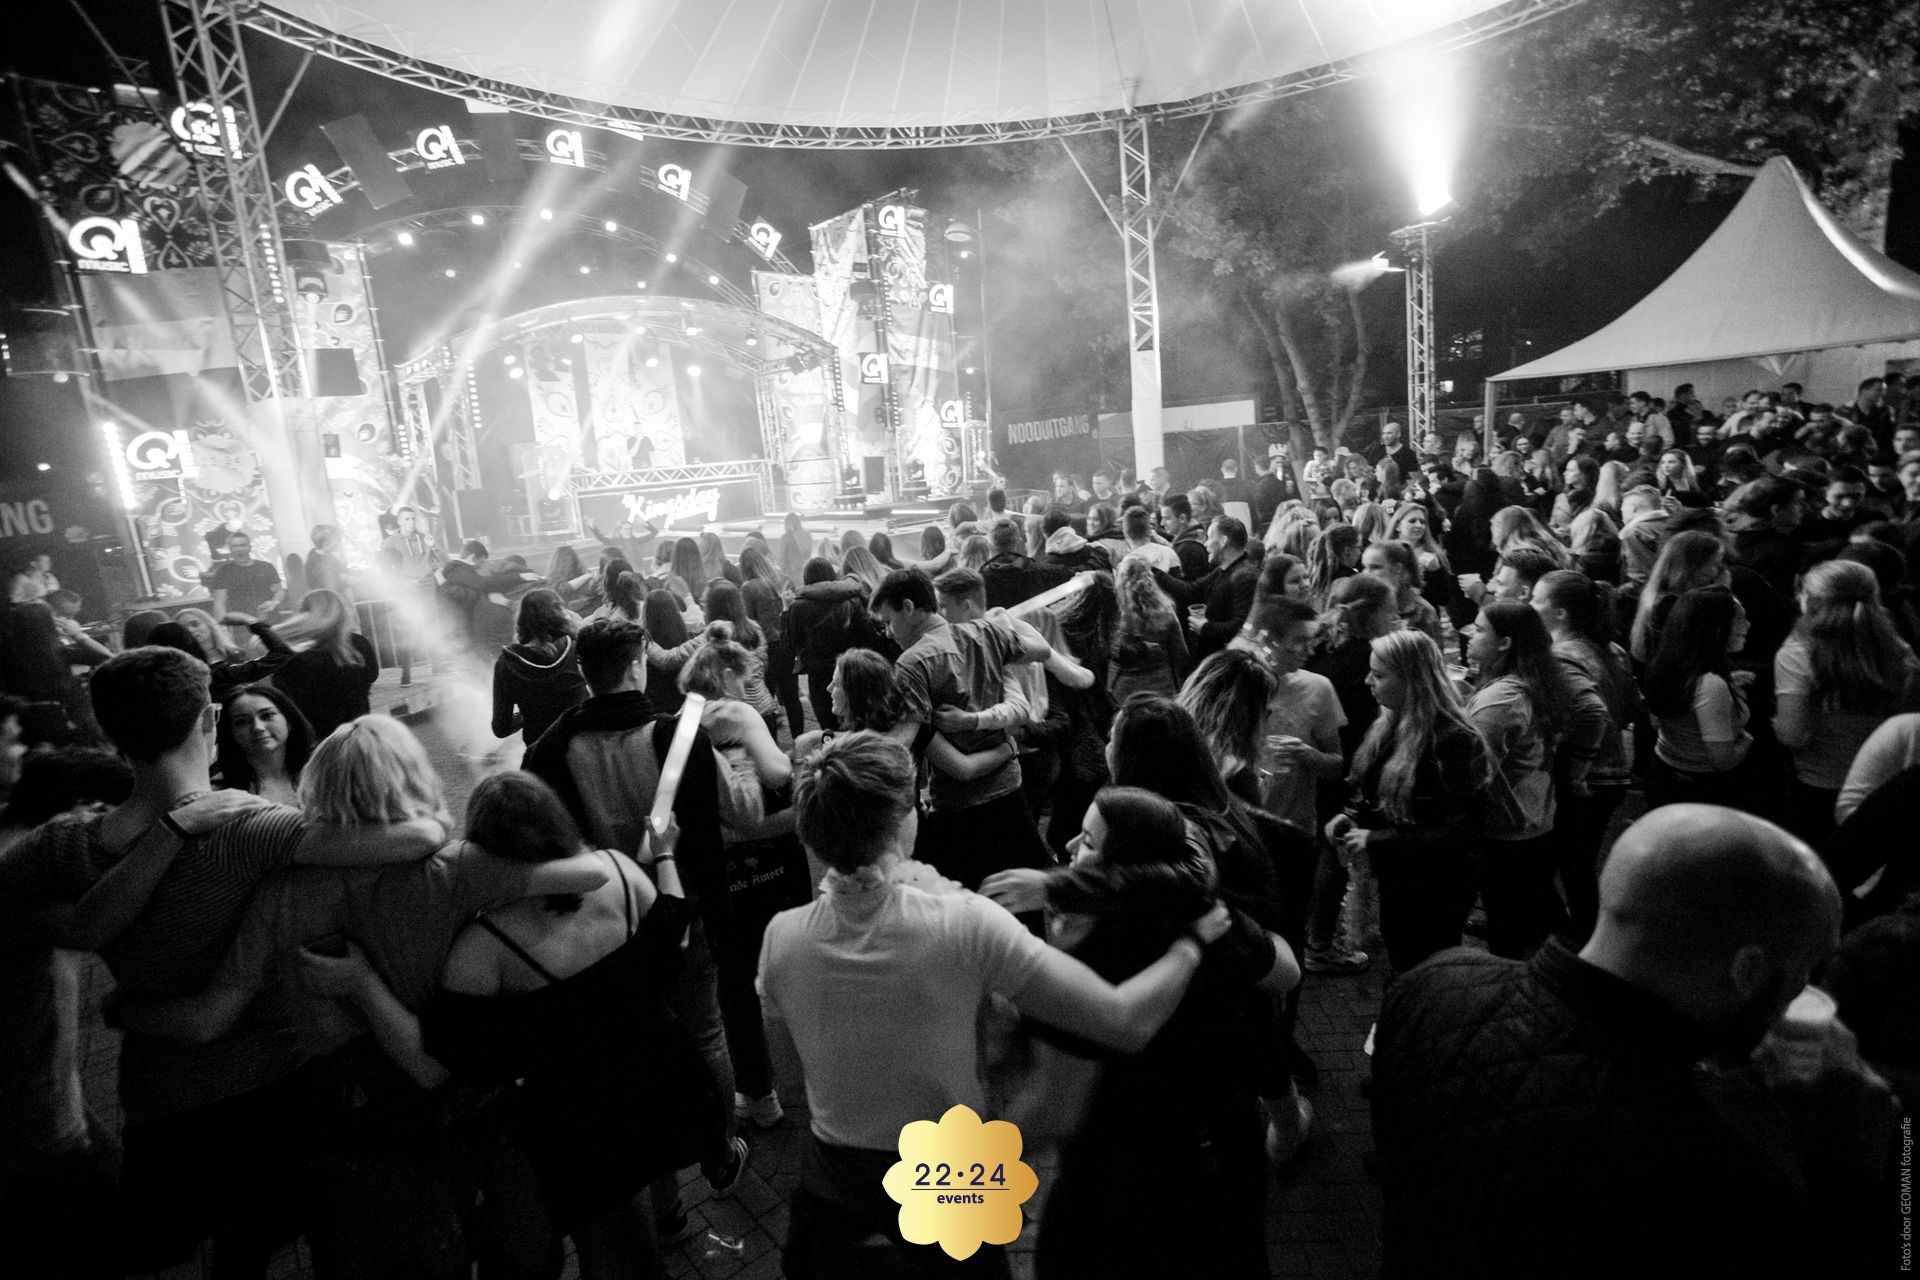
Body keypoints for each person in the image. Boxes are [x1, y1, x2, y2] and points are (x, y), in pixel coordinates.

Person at [0, 646, 435, 1276]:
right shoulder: (249, 826)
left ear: (108, 731)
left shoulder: (63, 846)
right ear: (208, 721)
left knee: (229, 1260)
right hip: (279, 1084)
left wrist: (67, 928)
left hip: (162, 1099)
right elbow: (416, 838)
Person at [759, 731, 1233, 1280]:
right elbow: (1123, 1022)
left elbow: (790, 1077)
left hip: (835, 1190)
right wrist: (1191, 944)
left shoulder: (780, 937)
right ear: (901, 819)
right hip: (948, 1180)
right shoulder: (966, 923)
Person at [1372, 805, 1892, 1279]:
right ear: (1748, 970)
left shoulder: (1431, 985)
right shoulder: (1704, 1168)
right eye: (1804, 970)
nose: (1804, 990)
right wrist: (1856, 1166)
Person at [412, 775, 713, 1280]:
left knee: (600, 1241)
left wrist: (362, 982)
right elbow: (673, 942)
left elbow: (455, 1049)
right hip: (648, 1082)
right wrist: (664, 855)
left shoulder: (483, 946)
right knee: (638, 1199)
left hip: (573, 1120)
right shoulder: (617, 872)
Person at [1016, 787, 1298, 1279]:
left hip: (1119, 1185)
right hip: (1218, 1165)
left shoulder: (1083, 954)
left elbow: (1056, 1107)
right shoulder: (1215, 921)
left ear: (1123, 866)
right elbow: (1286, 972)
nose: (1069, 847)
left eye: (1088, 841)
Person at [522, 619, 753, 1204]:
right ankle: (721, 1153)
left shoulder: (548, 751)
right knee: (705, 1031)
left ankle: (666, 1204)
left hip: (601, 928)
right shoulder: (679, 735)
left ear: (584, 674)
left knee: (633, 1055)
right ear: (635, 666)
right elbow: (730, 819)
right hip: (685, 912)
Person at [1329, 630, 1491, 974]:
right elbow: (1378, 790)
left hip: (1439, 885)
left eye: (1379, 674)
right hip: (1402, 874)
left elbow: (1461, 832)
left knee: (1425, 965)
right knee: (1402, 952)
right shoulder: (1392, 721)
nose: (1367, 681)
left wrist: (1376, 839)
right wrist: (1352, 814)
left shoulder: (1455, 740)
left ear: (1413, 680)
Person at [1771, 559, 1920, 842]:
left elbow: (1792, 735)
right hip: (1887, 784)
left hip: (1819, 784)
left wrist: (1776, 723)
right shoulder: (1901, 652)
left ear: (1810, 601)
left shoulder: (1796, 655)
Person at [1466, 600, 1580, 959]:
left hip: (1508, 829)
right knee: (1539, 907)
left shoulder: (1501, 701)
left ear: (1505, 643)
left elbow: (1473, 773)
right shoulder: (1534, 681)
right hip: (1534, 819)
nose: (1470, 635)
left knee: (1509, 931)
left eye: (1479, 630)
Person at [1644, 587, 1756, 809]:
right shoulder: (1711, 685)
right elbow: (1722, 761)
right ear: (1716, 630)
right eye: (1740, 619)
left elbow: (1657, 722)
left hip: (1664, 773)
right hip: (1700, 790)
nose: (1748, 625)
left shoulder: (1667, 666)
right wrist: (1746, 740)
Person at [272, 589, 380, 740]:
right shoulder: (358, 644)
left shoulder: (293, 653)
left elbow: (281, 692)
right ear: (342, 611)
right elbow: (372, 675)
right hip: (357, 731)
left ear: (304, 614)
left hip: (313, 736)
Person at [492, 588, 590, 747]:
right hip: (583, 748)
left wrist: (526, 715)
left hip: (540, 753)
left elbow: (501, 728)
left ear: (522, 621)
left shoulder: (506, 665)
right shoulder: (578, 648)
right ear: (559, 615)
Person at [1154, 515, 1260, 662]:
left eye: (1209, 538)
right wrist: (1154, 571)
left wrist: (1205, 628)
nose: (1205, 544)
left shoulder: (1245, 576)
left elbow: (1241, 626)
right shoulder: (1223, 570)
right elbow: (1190, 590)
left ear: (1223, 541)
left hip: (1230, 662)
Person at [740, 544, 806, 739]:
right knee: (792, 698)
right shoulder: (780, 580)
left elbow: (748, 621)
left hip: (765, 647)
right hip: (785, 642)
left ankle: (772, 745)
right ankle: (799, 741)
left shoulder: (748, 587)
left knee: (767, 701)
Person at [214, 683, 314, 807]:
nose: (258, 727)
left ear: (288, 719)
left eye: (267, 715)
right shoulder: (219, 792)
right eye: (242, 721)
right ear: (230, 732)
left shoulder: (320, 772)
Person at [1108, 556, 1188, 700]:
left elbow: (1111, 652)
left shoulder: (1114, 613)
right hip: (1162, 685)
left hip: (1124, 688)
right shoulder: (1166, 611)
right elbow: (1181, 653)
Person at [1360, 539, 1443, 647]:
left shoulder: (1422, 612)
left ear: (1397, 568)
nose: (1366, 573)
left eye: (1375, 567)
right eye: (1364, 567)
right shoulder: (1365, 604)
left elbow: (1432, 655)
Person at [204, 531, 285, 624]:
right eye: (235, 546)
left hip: (271, 620)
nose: (239, 549)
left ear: (250, 547)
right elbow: (219, 603)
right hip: (242, 623)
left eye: (243, 545)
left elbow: (279, 591)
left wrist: (274, 602)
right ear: (230, 549)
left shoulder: (266, 567)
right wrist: (222, 627)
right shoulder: (223, 571)